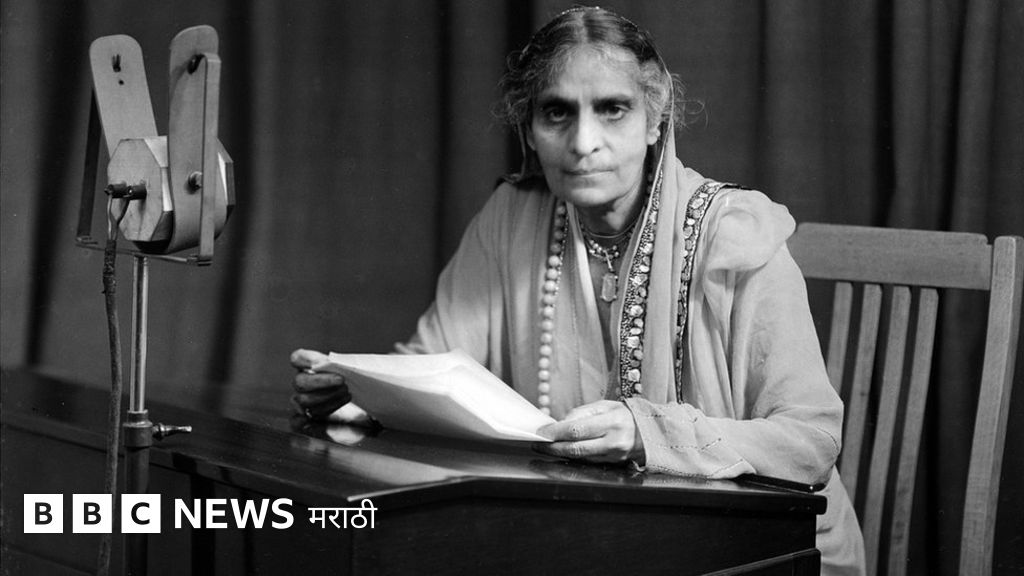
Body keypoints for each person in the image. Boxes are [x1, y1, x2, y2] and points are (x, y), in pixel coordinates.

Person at [291, 7, 865, 575]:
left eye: (613, 109)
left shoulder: (734, 231)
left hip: (761, 550)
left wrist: (647, 433)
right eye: (557, 112)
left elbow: (810, 440)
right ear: (529, 129)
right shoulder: (511, 218)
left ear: (655, 119)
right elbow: (429, 370)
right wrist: (359, 393)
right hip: (593, 540)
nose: (583, 142)